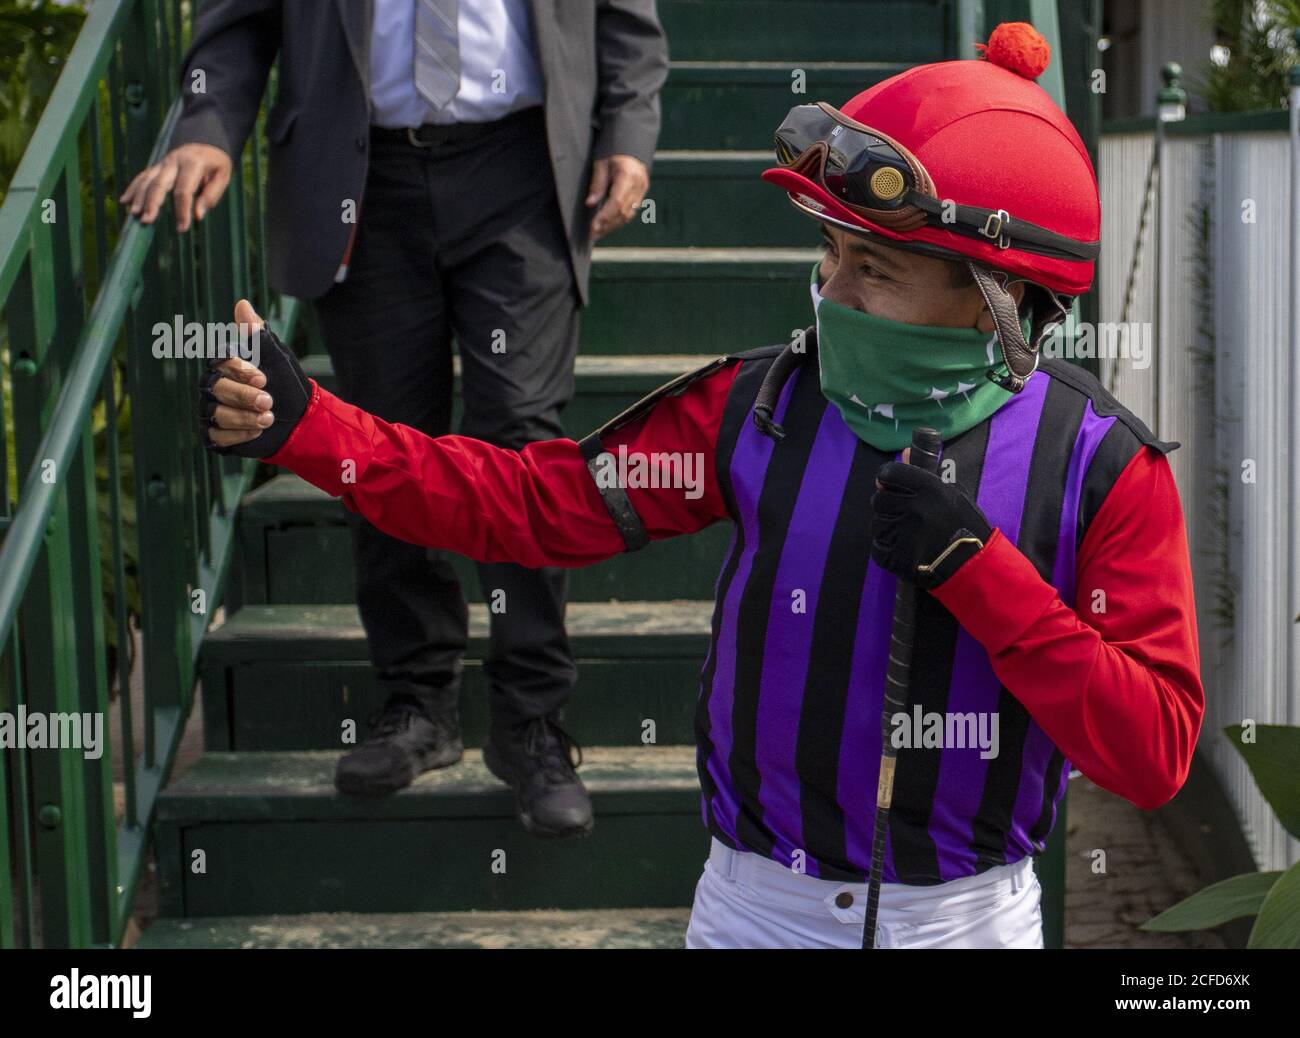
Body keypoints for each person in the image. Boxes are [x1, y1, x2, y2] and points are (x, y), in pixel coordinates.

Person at [197, 23, 1205, 948]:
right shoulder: (754, 402)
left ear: (995, 301)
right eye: (828, 254)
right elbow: (532, 505)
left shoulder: (1103, 462)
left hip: (968, 921)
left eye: (876, 270)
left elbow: (1153, 752)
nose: (832, 294)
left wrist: (986, 577)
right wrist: (315, 431)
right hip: (753, 911)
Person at [121, 0, 669, 835]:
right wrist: (206, 122)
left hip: (523, 166)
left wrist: (627, 132)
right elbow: (237, 20)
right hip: (358, 176)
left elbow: (625, 18)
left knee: (522, 436)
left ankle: (528, 719)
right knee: (374, 438)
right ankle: (418, 702)